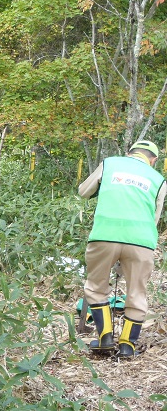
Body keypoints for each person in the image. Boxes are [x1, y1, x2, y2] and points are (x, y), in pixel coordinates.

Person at [78, 140, 166, 358]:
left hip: (104, 235)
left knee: (96, 287)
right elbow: (155, 217)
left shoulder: (110, 164)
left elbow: (83, 192)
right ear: (152, 160)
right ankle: (127, 346)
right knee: (137, 293)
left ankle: (105, 338)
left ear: (129, 153)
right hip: (141, 240)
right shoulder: (159, 179)